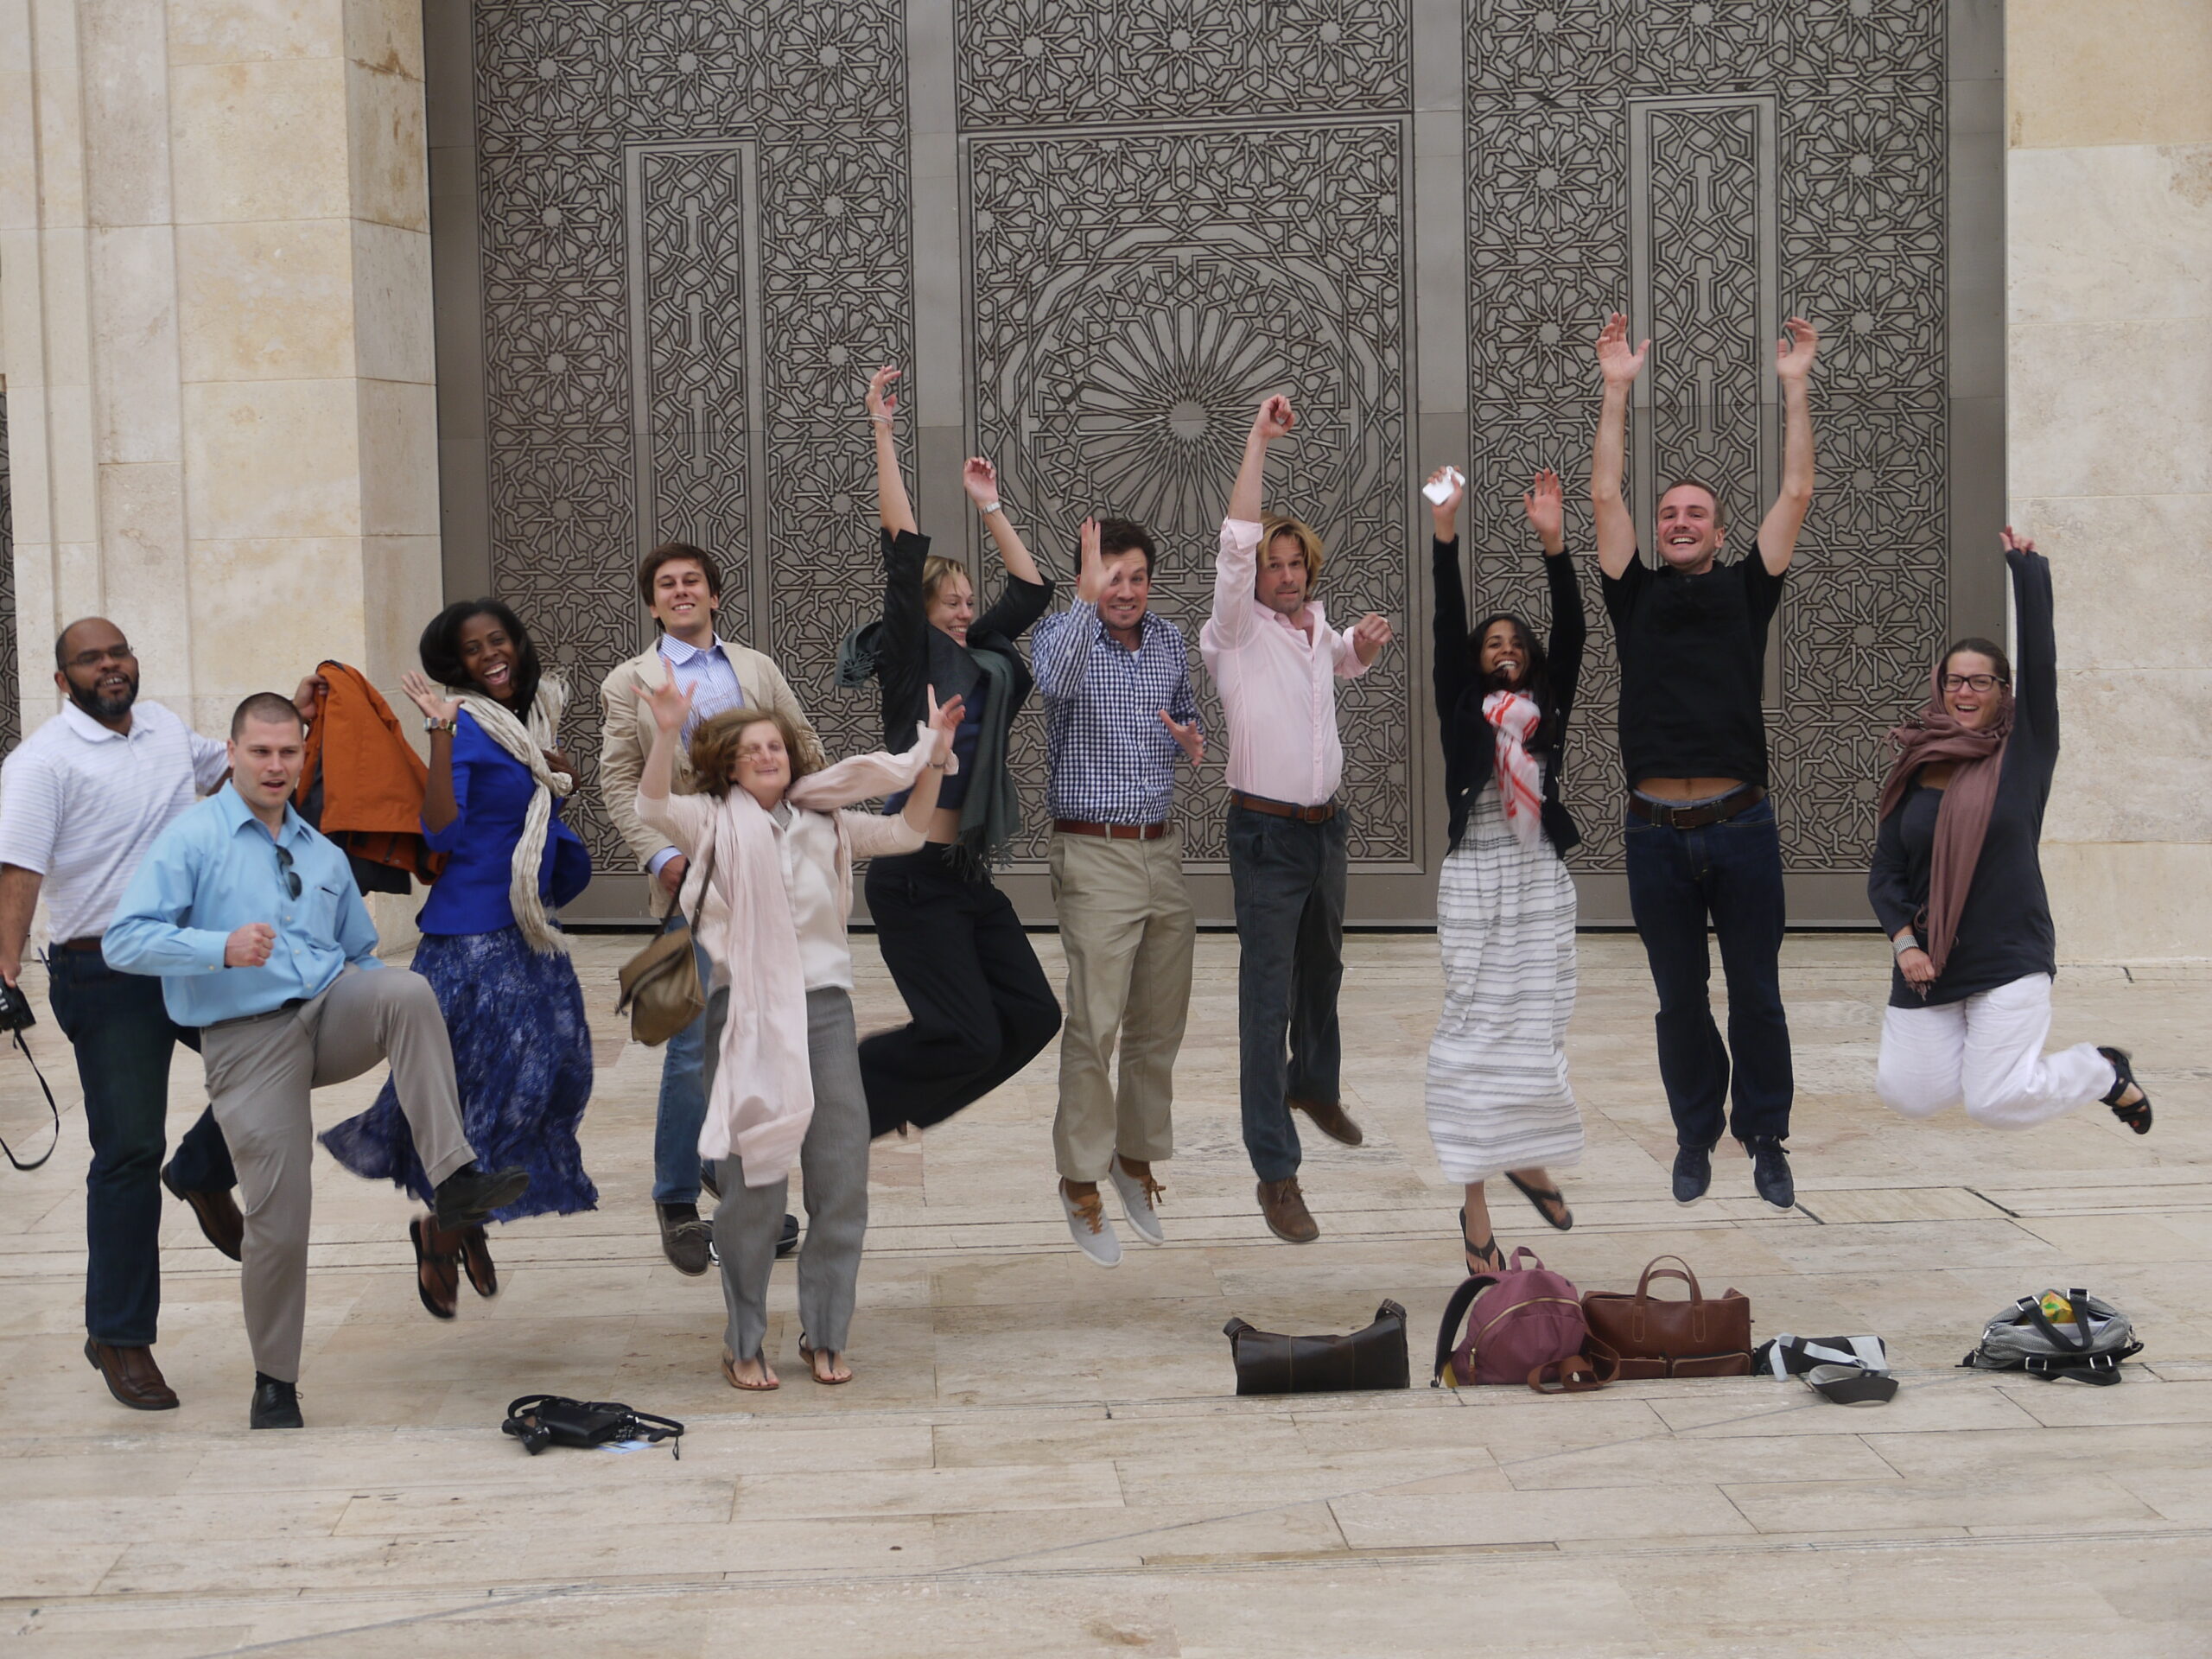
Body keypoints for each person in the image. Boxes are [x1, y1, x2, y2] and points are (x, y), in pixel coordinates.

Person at [103, 693, 528, 1429]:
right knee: (280, 1215)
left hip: (327, 1012)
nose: (275, 766)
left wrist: (388, 1013)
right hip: (246, 1038)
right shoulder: (192, 839)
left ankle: (455, 1180)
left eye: (288, 752)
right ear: (231, 755)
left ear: (305, 757)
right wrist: (219, 947)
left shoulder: (322, 852)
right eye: (260, 752)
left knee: (406, 991)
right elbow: (124, 940)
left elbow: (362, 953)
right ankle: (276, 1381)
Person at [635, 678, 963, 1389]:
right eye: (751, 749)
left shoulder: (826, 820)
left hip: (824, 1009)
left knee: (841, 1178)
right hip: (745, 1013)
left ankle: (827, 1331)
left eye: (776, 747)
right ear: (728, 764)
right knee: (753, 1190)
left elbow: (907, 833)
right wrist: (664, 732)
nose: (767, 756)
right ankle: (744, 1340)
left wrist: (934, 757)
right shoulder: (708, 820)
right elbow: (651, 806)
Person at [1588, 311, 1820, 1209]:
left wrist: (1794, 387)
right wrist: (1616, 392)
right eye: (1670, 513)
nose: (1680, 522)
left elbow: (1795, 491)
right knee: (1678, 999)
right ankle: (1694, 1133)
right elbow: (1604, 497)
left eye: (1696, 514)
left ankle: (1764, 1136)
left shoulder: (1747, 588)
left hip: (1740, 828)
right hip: (1654, 834)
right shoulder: (1633, 593)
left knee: (1757, 993)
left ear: (1719, 534)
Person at [0, 620, 256, 1410]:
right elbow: (18, 871)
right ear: (62, 679)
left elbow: (236, 762)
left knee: (281, 1054)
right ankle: (118, 1334)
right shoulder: (41, 762)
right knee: (129, 1152)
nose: (109, 666)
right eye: (90, 659)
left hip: (189, 953)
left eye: (118, 653)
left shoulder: (164, 728)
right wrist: (2, 970)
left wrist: (303, 712)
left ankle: (203, 1169)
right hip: (103, 970)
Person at [321, 601, 597, 1317]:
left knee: (558, 1073)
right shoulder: (468, 725)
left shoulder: (529, 724)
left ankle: (463, 1218)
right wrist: (440, 736)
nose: (490, 655)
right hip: (474, 938)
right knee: (496, 1086)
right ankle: (443, 1229)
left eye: (498, 640)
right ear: (458, 665)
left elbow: (527, 816)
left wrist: (556, 779)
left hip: (531, 928)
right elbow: (440, 830)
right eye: (473, 649)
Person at [1869, 529, 2153, 1135]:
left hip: (2008, 951)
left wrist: (2027, 573)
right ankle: (1986, 1055)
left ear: (2004, 692)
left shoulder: (2025, 753)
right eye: (1954, 680)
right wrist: (1905, 944)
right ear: (1940, 686)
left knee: (1993, 1102)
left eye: (1980, 681)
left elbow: (2042, 665)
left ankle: (2100, 1071)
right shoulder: (1916, 764)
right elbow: (1886, 874)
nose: (1964, 692)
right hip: (1930, 959)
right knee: (1908, 1092)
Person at [1200, 394, 1395, 1244]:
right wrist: (1257, 441)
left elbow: (1339, 660)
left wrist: (1362, 647)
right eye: (1271, 565)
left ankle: (1313, 1083)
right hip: (1266, 835)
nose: (1282, 575)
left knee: (1324, 972)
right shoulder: (1234, 633)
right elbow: (1235, 541)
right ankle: (1275, 1172)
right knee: (1266, 999)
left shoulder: (1315, 631)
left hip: (1325, 830)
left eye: (1293, 564)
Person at [599, 543, 824, 1274]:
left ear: (715, 596)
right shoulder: (629, 682)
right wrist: (661, 856)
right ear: (653, 604)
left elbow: (804, 745)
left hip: (767, 874)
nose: (680, 591)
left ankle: (732, 1176)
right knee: (693, 1042)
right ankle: (675, 1199)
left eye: (691, 581)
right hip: (694, 879)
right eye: (666, 584)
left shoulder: (754, 668)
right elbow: (619, 780)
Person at [847, 365, 1061, 1137]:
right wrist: (883, 431)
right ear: (924, 609)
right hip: (912, 878)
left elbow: (1031, 591)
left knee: (1033, 1016)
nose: (967, 611)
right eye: (952, 602)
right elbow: (902, 549)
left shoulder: (987, 654)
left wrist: (990, 505)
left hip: (964, 872)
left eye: (971, 601)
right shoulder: (910, 663)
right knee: (966, 1035)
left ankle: (889, 1110)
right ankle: (822, 1110)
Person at [1423, 466, 1587, 1273]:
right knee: (1472, 1034)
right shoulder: (1461, 704)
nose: (1507, 651)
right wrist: (1444, 533)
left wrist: (1554, 544)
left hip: (1538, 877)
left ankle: (1525, 1155)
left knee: (1538, 1027)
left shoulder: (1546, 710)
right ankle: (1476, 1200)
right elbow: (1446, 619)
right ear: (1477, 659)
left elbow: (1575, 630)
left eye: (1517, 645)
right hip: (1476, 877)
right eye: (1494, 644)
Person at [1030, 516, 1205, 1266]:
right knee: (1095, 1024)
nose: (1125, 590)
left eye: (1136, 577)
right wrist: (1080, 597)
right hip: (1093, 852)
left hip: (1160, 849)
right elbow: (1052, 681)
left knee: (1159, 1024)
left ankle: (1134, 1161)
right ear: (1089, 580)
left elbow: (1185, 713)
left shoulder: (1167, 641)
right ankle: (1079, 1180)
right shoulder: (1064, 634)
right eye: (1110, 577)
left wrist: (1190, 738)